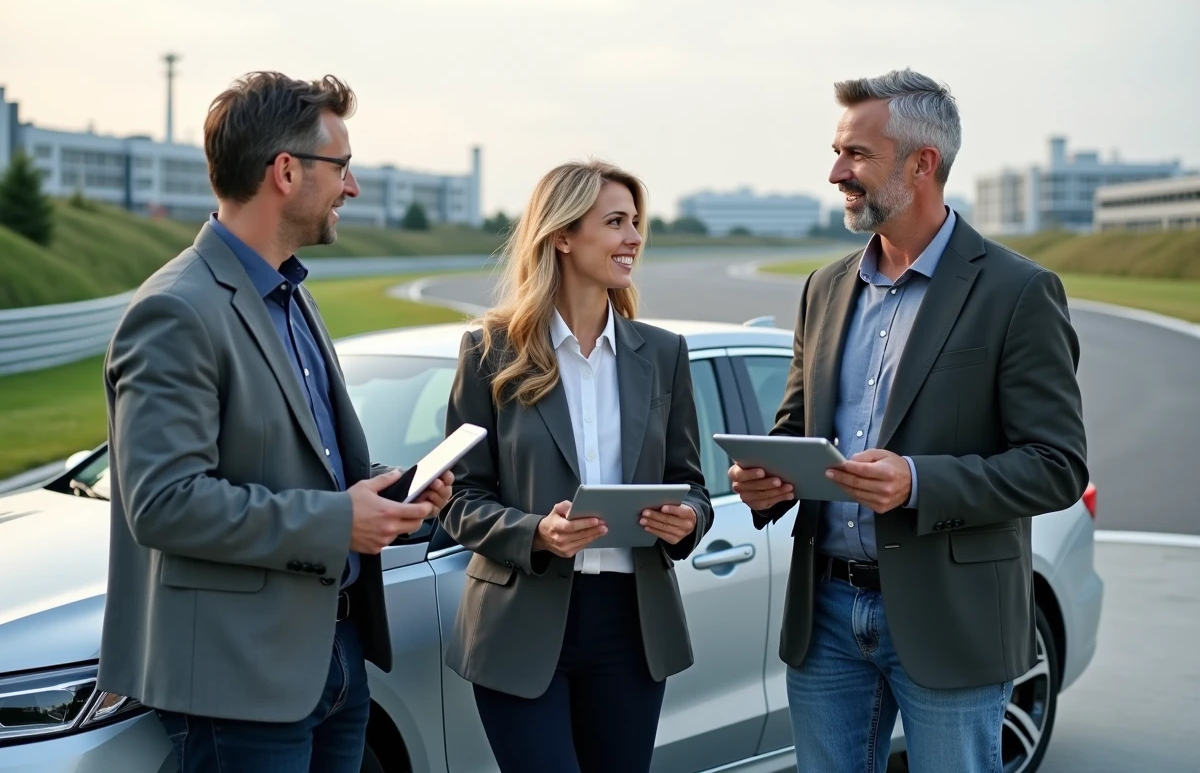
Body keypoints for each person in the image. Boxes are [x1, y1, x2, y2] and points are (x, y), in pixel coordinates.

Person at [729, 69, 1088, 772]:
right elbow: (796, 425)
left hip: (950, 618)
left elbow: (1058, 466)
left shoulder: (1017, 292)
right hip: (825, 614)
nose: (837, 172)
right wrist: (769, 476)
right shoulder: (825, 288)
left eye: (857, 155)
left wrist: (917, 482)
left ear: (923, 165)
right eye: (838, 152)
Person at [97, 71, 452, 773]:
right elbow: (163, 504)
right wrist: (335, 522)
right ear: (286, 172)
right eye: (342, 167)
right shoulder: (177, 310)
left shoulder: (292, 297)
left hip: (336, 659)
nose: (351, 187)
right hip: (241, 680)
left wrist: (392, 491)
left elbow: (304, 461)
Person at [439, 160, 713, 773]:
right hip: (520, 627)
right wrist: (536, 532)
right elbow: (458, 498)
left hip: (631, 626)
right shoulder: (490, 351)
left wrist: (685, 520)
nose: (633, 238)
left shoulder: (663, 354)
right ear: (562, 235)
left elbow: (693, 487)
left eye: (636, 223)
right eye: (615, 222)